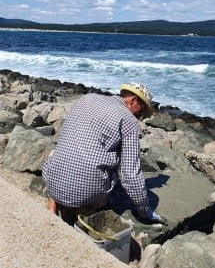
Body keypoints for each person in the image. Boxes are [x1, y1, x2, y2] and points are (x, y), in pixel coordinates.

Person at [42, 82, 163, 226]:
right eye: (141, 111)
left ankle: (52, 207)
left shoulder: (87, 98)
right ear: (133, 100)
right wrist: (146, 211)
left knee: (57, 153)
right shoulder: (129, 121)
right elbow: (130, 174)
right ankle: (92, 208)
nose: (140, 117)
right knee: (114, 170)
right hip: (88, 193)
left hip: (53, 181)